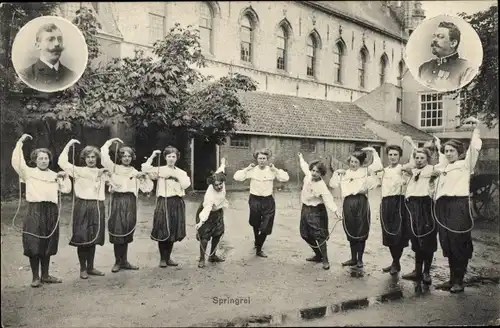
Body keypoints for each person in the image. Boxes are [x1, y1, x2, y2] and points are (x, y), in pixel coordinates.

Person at [11, 134, 72, 287]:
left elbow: (66, 190)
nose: (43, 161)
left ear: (49, 160)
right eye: (40, 158)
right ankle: (35, 277)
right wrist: (20, 143)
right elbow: (17, 162)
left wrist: (64, 177)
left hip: (51, 210)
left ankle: (45, 275)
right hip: (35, 209)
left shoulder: (54, 175)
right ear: (35, 160)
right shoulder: (28, 172)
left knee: (48, 241)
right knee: (34, 242)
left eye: (46, 158)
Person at [433, 117, 482, 293]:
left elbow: (474, 150)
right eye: (446, 150)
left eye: (451, 150)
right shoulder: (444, 167)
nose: (448, 153)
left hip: (457, 206)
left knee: (458, 241)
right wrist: (438, 144)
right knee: (446, 241)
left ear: (459, 152)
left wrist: (476, 129)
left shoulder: (464, 165)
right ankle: (452, 278)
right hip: (443, 206)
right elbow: (440, 160)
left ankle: (459, 281)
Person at [58, 139, 110, 279]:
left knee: (93, 236)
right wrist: (68, 145)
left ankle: (91, 267)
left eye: (93, 157)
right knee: (82, 237)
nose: (91, 160)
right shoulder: (79, 171)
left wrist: (106, 176)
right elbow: (62, 162)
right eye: (88, 157)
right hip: (83, 205)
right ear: (84, 158)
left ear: (97, 158)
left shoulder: (103, 171)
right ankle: (83, 268)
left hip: (98, 205)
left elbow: (114, 184)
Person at [100, 138, 153, 273]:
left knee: (127, 230)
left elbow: (146, 188)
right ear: (120, 157)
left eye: (129, 156)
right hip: (117, 200)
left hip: (130, 201)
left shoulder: (135, 172)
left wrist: (143, 178)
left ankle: (125, 261)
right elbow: (104, 157)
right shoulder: (114, 168)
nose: (127, 159)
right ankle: (117, 261)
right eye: (124, 156)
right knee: (117, 230)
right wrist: (109, 142)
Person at [329, 148, 382, 268]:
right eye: (351, 161)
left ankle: (360, 259)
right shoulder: (345, 173)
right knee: (350, 228)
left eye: (356, 162)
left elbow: (377, 168)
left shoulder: (365, 171)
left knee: (361, 229)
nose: (353, 164)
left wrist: (373, 151)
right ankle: (353, 258)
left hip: (361, 201)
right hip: (348, 202)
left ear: (361, 163)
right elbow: (333, 184)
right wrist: (336, 172)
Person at [233, 148, 289, 258]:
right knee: (255, 223)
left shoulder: (271, 170)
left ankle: (259, 248)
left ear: (267, 159)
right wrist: (246, 169)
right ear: (256, 159)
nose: (262, 160)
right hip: (254, 199)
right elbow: (237, 177)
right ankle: (256, 241)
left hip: (268, 200)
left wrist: (276, 170)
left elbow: (285, 178)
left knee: (266, 226)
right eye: (260, 158)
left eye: (264, 158)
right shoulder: (252, 170)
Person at [141, 146, 191, 268]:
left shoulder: (181, 172)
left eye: (173, 156)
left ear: (177, 158)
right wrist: (153, 155)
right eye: (169, 156)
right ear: (165, 158)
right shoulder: (160, 170)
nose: (171, 159)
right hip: (164, 201)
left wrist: (175, 177)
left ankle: (168, 257)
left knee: (172, 230)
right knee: (163, 229)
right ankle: (162, 259)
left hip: (176, 201)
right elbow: (145, 169)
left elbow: (185, 185)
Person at [400, 137, 439, 287]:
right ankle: (417, 271)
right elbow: (406, 166)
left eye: (422, 158)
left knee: (427, 238)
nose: (419, 160)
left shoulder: (432, 170)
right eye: (417, 158)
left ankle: (426, 272)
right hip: (412, 206)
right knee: (415, 238)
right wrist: (411, 143)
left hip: (426, 206)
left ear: (427, 159)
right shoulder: (412, 170)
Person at [370, 145, 410, 276]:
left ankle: (396, 262)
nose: (393, 157)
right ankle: (395, 261)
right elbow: (375, 182)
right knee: (388, 234)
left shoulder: (402, 169)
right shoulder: (384, 171)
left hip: (398, 202)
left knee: (398, 233)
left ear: (400, 156)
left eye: (395, 155)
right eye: (391, 155)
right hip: (386, 202)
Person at [298, 153, 340, 270]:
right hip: (305, 208)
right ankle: (318, 255)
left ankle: (325, 259)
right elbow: (304, 166)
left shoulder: (321, 186)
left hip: (317, 210)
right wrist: (301, 157)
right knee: (304, 234)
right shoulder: (307, 175)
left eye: (317, 172)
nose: (314, 173)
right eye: (313, 170)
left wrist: (336, 211)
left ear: (321, 174)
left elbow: (328, 199)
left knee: (319, 235)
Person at [418, 21, 476, 91]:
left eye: (440, 37)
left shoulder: (466, 69)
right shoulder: (423, 68)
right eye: (434, 36)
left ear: (453, 43)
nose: (434, 40)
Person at [19, 23, 77, 90]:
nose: (57, 44)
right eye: (50, 39)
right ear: (38, 46)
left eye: (59, 39)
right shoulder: (26, 76)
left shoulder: (72, 76)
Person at [195, 158, 228, 269]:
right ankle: (202, 258)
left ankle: (212, 256)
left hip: (218, 212)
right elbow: (207, 209)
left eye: (220, 184)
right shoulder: (210, 196)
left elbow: (220, 169)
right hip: (207, 212)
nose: (219, 187)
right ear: (212, 185)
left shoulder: (221, 181)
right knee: (205, 236)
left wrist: (223, 162)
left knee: (218, 233)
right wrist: (201, 222)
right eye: (216, 185)